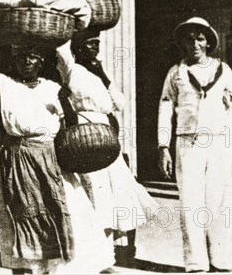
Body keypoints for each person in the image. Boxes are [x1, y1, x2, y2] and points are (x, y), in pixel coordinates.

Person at [0, 13, 113, 274]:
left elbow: (70, 124)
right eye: (22, 56)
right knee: (21, 214)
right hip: (17, 160)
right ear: (15, 60)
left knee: (62, 208)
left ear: (41, 61)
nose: (27, 62)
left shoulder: (52, 88)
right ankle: (28, 267)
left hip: (49, 158)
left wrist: (66, 106)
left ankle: (62, 267)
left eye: (33, 57)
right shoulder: (5, 84)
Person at [158, 17, 232, 273]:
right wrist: (163, 147)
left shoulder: (224, 70)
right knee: (191, 202)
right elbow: (165, 108)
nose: (195, 44)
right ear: (182, 42)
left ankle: (220, 260)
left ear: (209, 42)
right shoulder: (175, 73)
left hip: (221, 143)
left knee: (220, 201)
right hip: (188, 144)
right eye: (189, 39)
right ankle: (195, 263)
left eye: (200, 38)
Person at [57, 30, 158, 268]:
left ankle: (123, 248)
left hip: (106, 136)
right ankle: (99, 250)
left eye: (96, 44)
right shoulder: (71, 69)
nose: (94, 48)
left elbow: (120, 103)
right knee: (96, 190)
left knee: (121, 189)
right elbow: (62, 50)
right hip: (85, 136)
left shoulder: (100, 73)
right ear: (78, 48)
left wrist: (102, 74)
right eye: (89, 44)